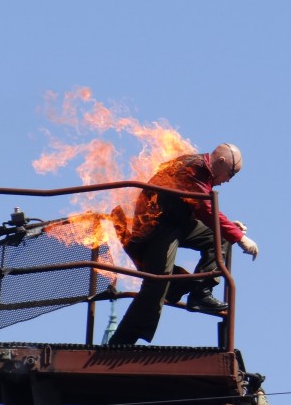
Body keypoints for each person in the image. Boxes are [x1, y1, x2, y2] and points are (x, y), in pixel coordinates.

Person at [107, 143, 258, 346]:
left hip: (179, 222)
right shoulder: (193, 168)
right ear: (221, 162)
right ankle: (121, 343)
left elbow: (196, 207)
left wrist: (230, 228)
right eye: (231, 174)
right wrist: (240, 237)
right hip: (158, 225)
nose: (228, 181)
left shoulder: (203, 172)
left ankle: (200, 294)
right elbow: (206, 209)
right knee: (157, 282)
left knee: (220, 238)